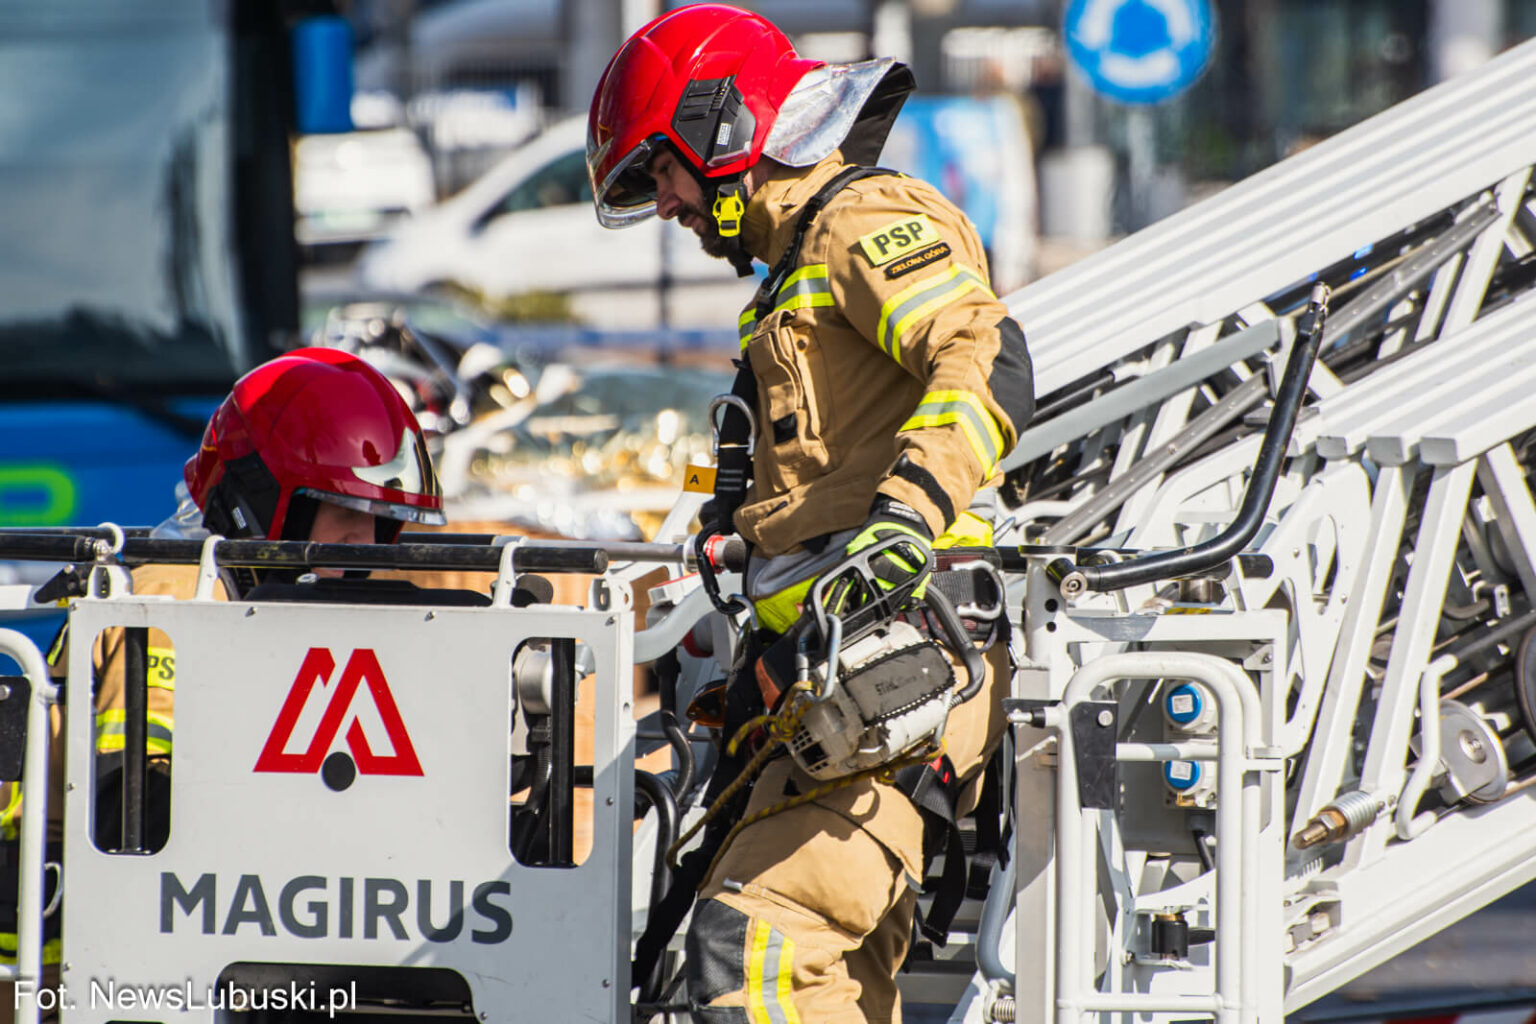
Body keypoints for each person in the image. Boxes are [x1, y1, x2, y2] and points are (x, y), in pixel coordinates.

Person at [587, 6, 1033, 1022]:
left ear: (720, 126)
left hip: (902, 666)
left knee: (754, 949)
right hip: (833, 691)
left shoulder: (860, 220)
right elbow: (821, 474)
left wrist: (908, 512)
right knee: (785, 968)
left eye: (663, 171)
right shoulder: (792, 274)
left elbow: (984, 351)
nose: (666, 204)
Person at [0, 347, 445, 991]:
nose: (367, 545)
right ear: (263, 504)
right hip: (78, 965)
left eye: (381, 521)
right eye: (346, 512)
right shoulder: (172, 601)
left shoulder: (277, 608)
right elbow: (138, 809)